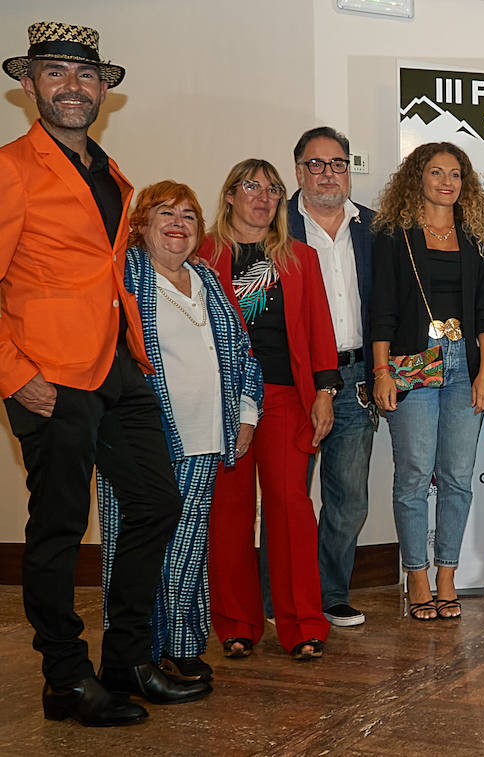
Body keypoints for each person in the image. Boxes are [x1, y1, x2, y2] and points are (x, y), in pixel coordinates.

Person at [0, 21, 208, 726]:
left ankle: (126, 659)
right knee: (57, 529)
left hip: (116, 367)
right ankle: (65, 676)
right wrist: (13, 373)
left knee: (157, 499)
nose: (73, 86)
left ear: (103, 90)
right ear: (28, 85)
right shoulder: (11, 168)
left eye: (85, 75)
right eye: (55, 73)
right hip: (48, 375)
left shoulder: (111, 172)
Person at [96, 181, 263, 683]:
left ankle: (183, 646)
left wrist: (246, 415)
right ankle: (134, 654)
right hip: (138, 439)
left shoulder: (210, 280)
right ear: (141, 224)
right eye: (165, 213)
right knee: (135, 549)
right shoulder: (122, 277)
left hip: (205, 438)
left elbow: (243, 353)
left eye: (189, 216)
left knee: (187, 550)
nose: (178, 223)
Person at [202, 159, 340, 660]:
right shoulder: (201, 253)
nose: (262, 197)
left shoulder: (299, 257)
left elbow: (320, 329)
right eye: (251, 187)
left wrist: (325, 391)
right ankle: (236, 624)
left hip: (284, 397)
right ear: (231, 195)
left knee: (290, 509)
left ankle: (304, 624)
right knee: (229, 513)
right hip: (220, 401)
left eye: (273, 190)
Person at [371, 142, 484, 621]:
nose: (447, 181)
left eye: (455, 174)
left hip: (465, 364)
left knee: (457, 479)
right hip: (411, 363)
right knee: (412, 476)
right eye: (436, 172)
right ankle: (417, 576)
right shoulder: (393, 236)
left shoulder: (477, 237)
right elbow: (381, 311)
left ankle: (447, 574)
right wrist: (381, 371)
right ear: (416, 179)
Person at [287, 126, 378, 628]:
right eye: (317, 164)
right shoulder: (276, 226)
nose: (328, 173)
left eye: (338, 163)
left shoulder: (373, 228)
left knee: (348, 498)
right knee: (289, 496)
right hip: (293, 380)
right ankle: (282, 596)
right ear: (299, 171)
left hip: (356, 375)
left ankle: (330, 594)